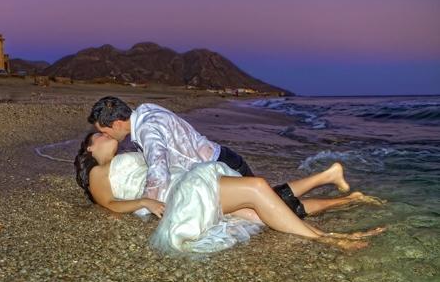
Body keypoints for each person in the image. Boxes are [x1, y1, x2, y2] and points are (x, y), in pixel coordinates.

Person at [74, 131, 386, 253]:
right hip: (183, 194)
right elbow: (111, 203)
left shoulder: (121, 159)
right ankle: (326, 238)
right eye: (98, 135)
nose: (105, 134)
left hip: (184, 185)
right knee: (258, 188)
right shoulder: (98, 172)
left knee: (262, 210)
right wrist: (144, 201)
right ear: (89, 149)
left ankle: (345, 201)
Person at [88, 96, 308, 219]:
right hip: (223, 158)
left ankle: (316, 210)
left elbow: (158, 170)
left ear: (117, 124)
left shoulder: (146, 131)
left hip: (219, 167)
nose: (107, 135)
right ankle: (327, 185)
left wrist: (147, 208)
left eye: (105, 131)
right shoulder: (146, 109)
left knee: (268, 209)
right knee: (262, 204)